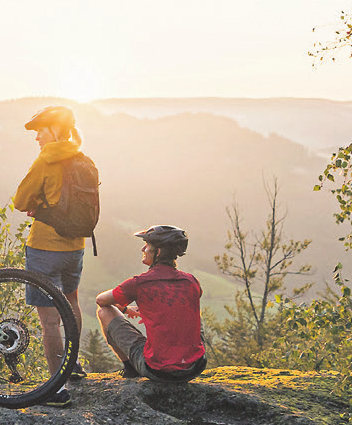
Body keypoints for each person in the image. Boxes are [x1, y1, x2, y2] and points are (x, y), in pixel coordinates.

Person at [12, 105, 93, 406]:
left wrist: (37, 204)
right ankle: (72, 365)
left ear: (55, 130)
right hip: (76, 246)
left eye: (40, 132)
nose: (37, 139)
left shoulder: (46, 160)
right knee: (71, 301)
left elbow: (20, 200)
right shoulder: (83, 158)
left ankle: (55, 387)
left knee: (49, 321)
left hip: (45, 246)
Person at [95, 225, 207, 382]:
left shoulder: (139, 283)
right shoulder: (191, 281)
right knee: (193, 310)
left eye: (147, 245)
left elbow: (101, 300)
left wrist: (125, 308)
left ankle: (130, 369)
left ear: (158, 252)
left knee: (104, 311)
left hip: (158, 370)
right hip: (195, 366)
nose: (143, 248)